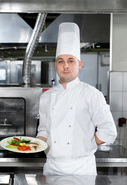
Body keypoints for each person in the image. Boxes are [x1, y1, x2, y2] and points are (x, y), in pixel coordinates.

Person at [36, 22, 117, 175]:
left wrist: (88, 143)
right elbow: (44, 130)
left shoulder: (92, 94)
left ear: (79, 65)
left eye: (71, 61)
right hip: (52, 168)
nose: (65, 66)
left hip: (81, 169)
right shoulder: (46, 97)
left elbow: (109, 131)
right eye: (61, 61)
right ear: (56, 65)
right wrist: (32, 145)